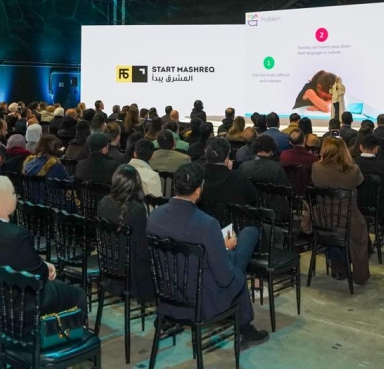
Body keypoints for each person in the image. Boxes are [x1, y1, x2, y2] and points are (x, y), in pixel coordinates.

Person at [146, 163, 268, 348]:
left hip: (167, 294)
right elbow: (224, 277)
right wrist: (226, 249)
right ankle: (246, 328)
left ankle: (246, 328)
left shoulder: (154, 216)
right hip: (201, 300)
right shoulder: (207, 224)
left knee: (238, 256)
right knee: (242, 257)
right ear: (198, 191)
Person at [0, 176, 86, 318]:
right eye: (12, 194)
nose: (15, 198)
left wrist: (42, 264)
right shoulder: (16, 235)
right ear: (2, 200)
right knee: (77, 294)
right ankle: (69, 331)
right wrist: (44, 268)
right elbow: (38, 277)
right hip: (18, 302)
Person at [311, 137, 370, 285]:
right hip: (347, 218)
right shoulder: (353, 170)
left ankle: (339, 268)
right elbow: (359, 181)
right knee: (361, 236)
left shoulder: (316, 168)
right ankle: (360, 275)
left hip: (322, 218)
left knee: (334, 237)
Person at [97, 166, 154, 303]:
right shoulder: (137, 210)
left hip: (108, 264)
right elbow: (142, 250)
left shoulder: (103, 202)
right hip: (131, 271)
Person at [201, 138, 258, 218]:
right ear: (227, 157)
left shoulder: (198, 175)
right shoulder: (239, 177)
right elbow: (253, 199)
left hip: (204, 219)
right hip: (234, 221)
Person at [354, 135, 384, 215]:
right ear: (376, 149)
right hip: (380, 209)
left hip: (355, 208)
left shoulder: (351, 164)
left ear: (361, 147)